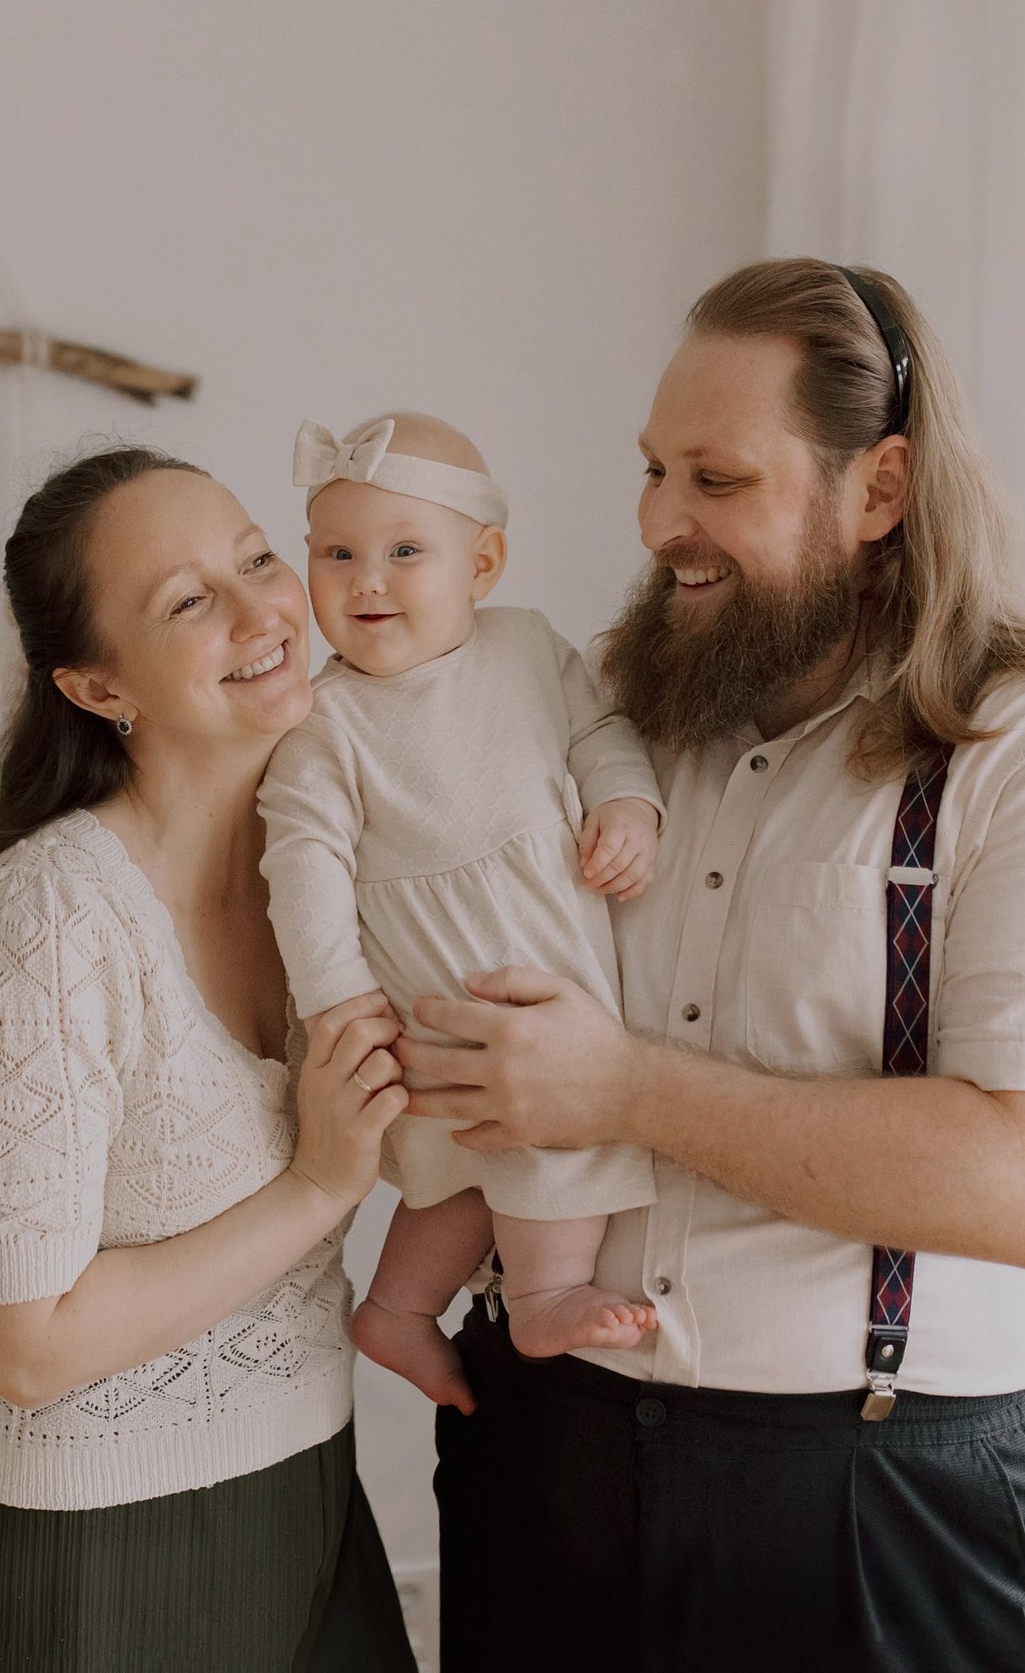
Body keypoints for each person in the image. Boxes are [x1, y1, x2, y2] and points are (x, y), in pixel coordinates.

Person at [408, 260, 1025, 1672]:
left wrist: (626, 1087)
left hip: (874, 1499)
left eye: (717, 480)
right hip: (549, 1461)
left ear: (877, 489)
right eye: (652, 471)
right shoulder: (604, 716)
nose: (658, 526)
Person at [0, 447, 421, 1672]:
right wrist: (317, 1188)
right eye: (188, 602)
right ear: (92, 684)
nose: (261, 613)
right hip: (97, 1559)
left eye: (255, 559)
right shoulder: (52, 920)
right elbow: (26, 1345)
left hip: (314, 1494)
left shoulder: (332, 865)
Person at [258, 411, 665, 1419]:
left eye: (404, 551)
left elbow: (600, 732)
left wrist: (626, 803)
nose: (366, 579)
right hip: (434, 991)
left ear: (481, 564)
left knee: (477, 1167)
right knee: (503, 1144)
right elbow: (299, 867)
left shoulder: (526, 646)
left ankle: (396, 1308)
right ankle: (543, 1296)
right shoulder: (323, 726)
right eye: (337, 553)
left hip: (544, 959)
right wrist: (336, 1001)